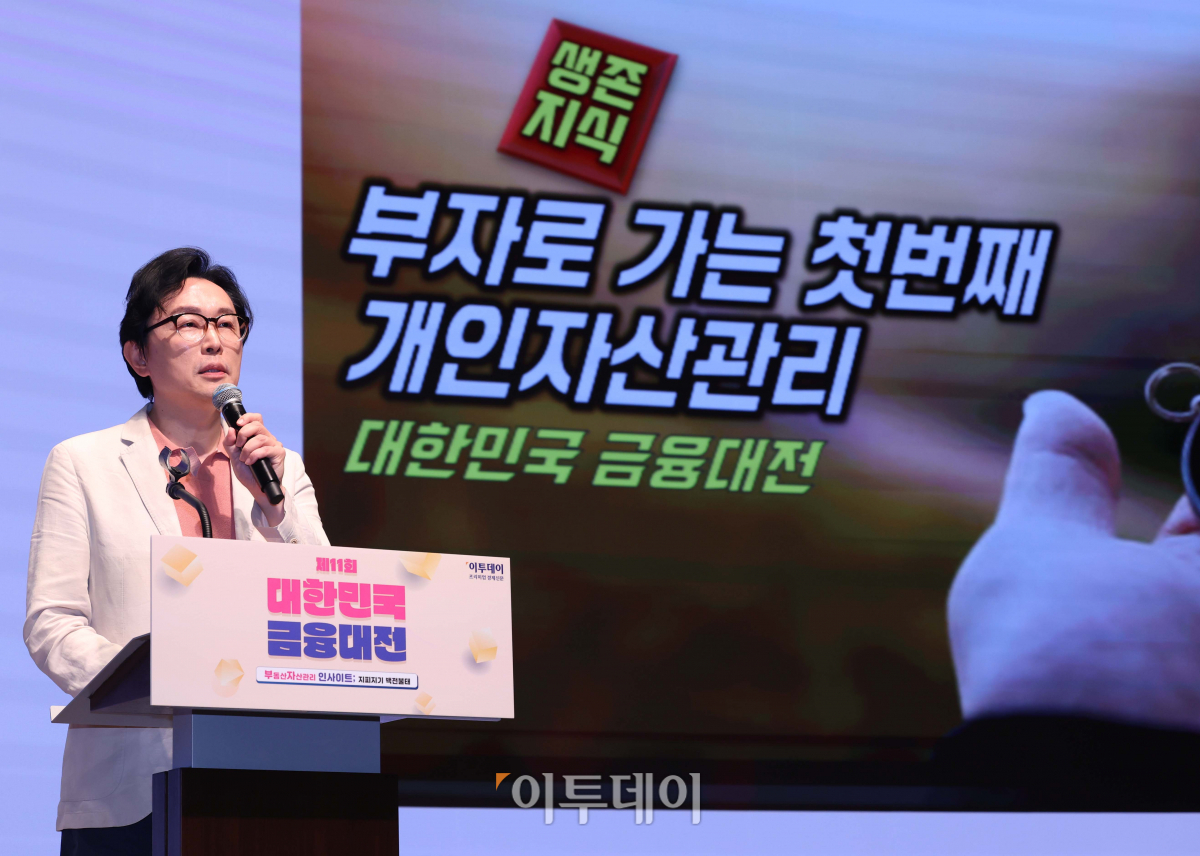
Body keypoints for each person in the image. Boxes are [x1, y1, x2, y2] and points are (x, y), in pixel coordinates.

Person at [25, 248, 329, 855]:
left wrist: (273, 512)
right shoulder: (83, 463)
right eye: (189, 323)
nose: (215, 340)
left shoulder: (278, 469)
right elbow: (52, 623)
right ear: (138, 354)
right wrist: (153, 681)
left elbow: (327, 599)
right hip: (128, 788)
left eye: (228, 323)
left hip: (266, 778)